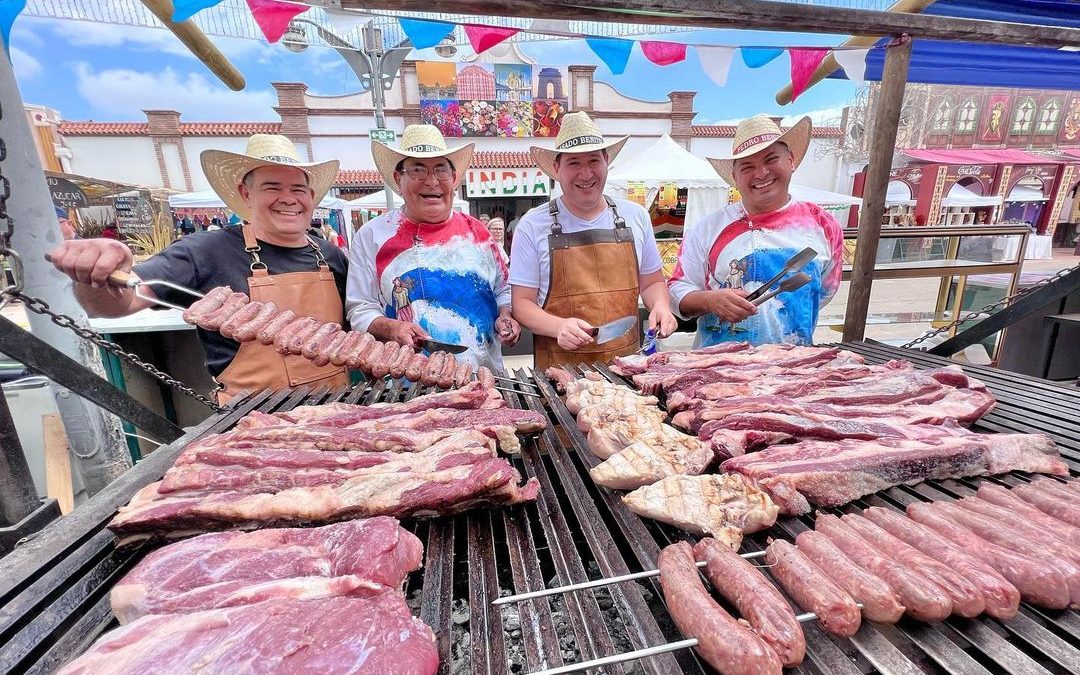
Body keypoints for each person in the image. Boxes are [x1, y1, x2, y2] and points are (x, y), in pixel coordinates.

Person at [48, 134, 348, 402]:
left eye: (298, 189)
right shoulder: (204, 251)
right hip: (253, 422)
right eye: (272, 187)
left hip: (342, 413)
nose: (289, 199)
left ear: (311, 197)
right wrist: (94, 275)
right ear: (245, 194)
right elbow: (118, 304)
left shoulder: (331, 255)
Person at [509, 112, 678, 369]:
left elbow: (652, 281)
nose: (586, 173)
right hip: (559, 373)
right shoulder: (532, 225)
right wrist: (558, 326)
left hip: (627, 368)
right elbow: (522, 304)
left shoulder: (636, 216)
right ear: (556, 168)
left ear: (606, 161)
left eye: (593, 160)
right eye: (574, 163)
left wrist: (661, 306)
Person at [346, 124, 519, 371]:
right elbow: (361, 307)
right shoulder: (372, 236)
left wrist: (505, 316)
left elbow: (504, 290)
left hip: (483, 374)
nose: (431, 181)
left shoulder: (479, 234)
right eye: (417, 170)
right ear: (398, 179)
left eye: (441, 169)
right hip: (407, 379)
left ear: (454, 179)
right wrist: (392, 328)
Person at [668, 115, 843, 347]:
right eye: (748, 167)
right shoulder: (707, 229)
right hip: (717, 365)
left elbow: (823, 293)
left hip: (794, 363)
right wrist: (709, 300)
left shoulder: (824, 225)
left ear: (790, 160)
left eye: (771, 159)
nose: (761, 173)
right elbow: (676, 292)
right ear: (735, 177)